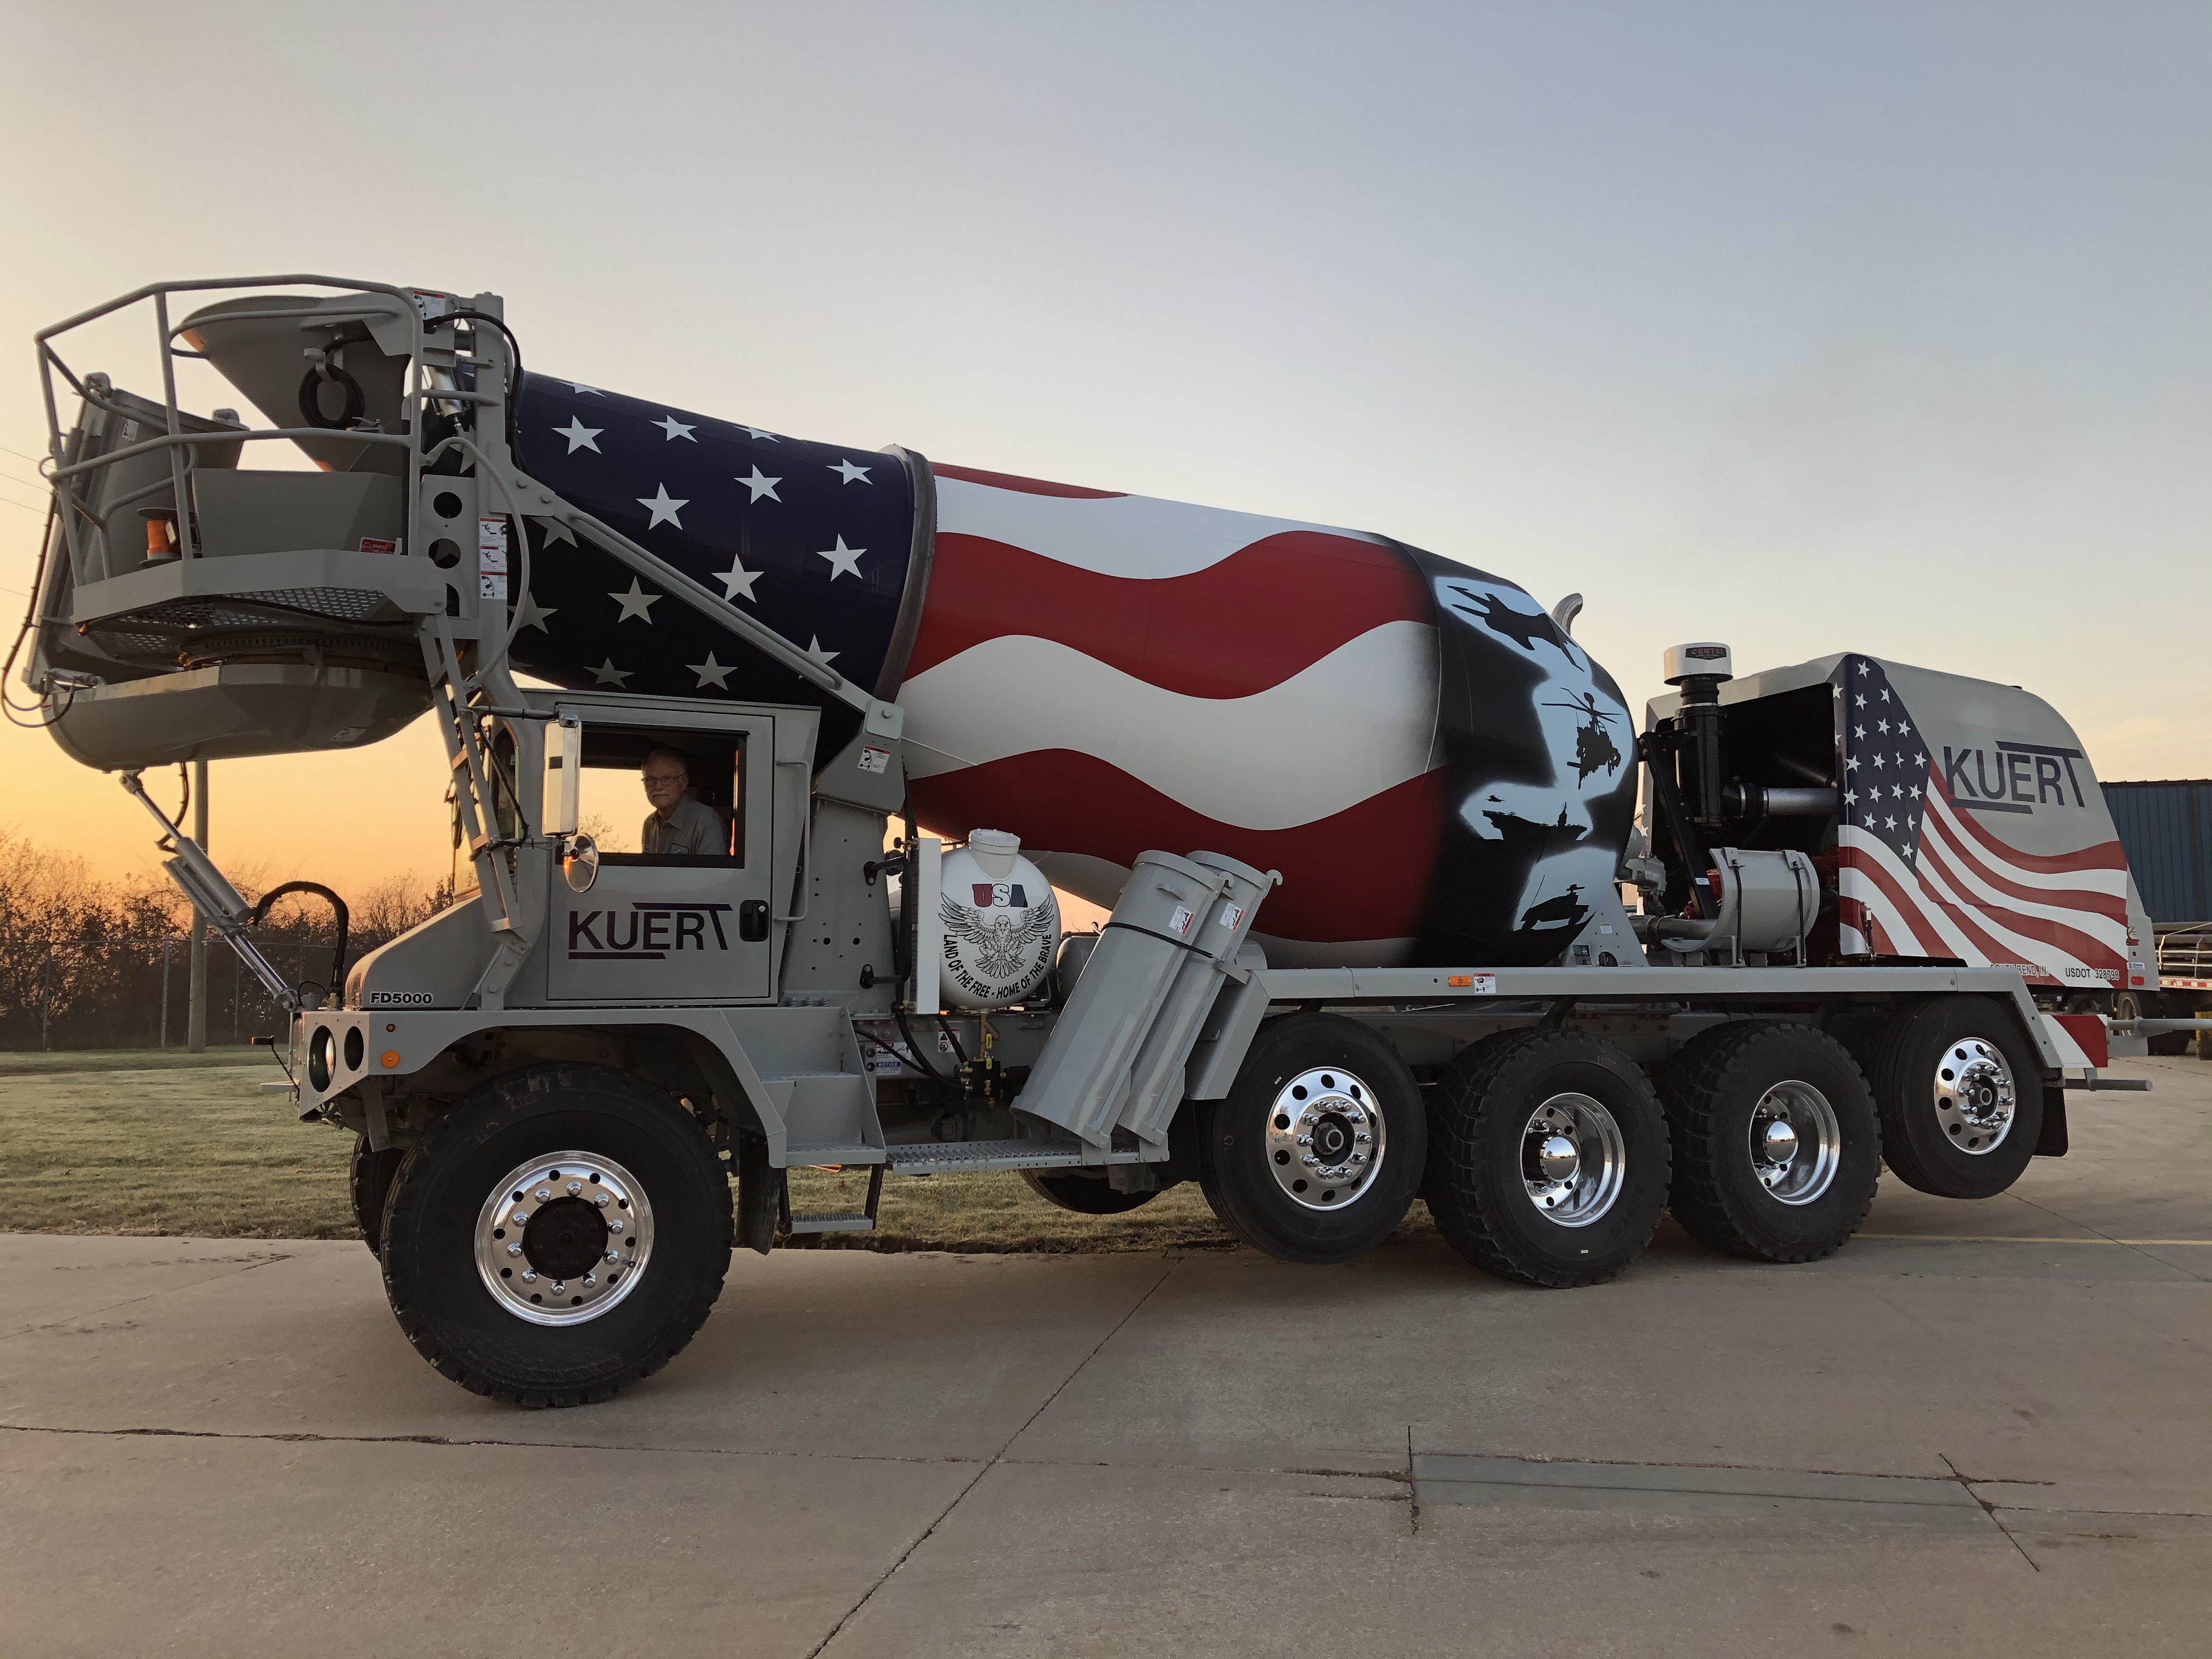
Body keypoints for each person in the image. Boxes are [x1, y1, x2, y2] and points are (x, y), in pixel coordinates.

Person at [639, 748, 725, 855]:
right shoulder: (650, 824)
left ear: (683, 782)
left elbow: (713, 867)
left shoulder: (706, 821)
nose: (658, 786)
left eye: (667, 779)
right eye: (651, 780)